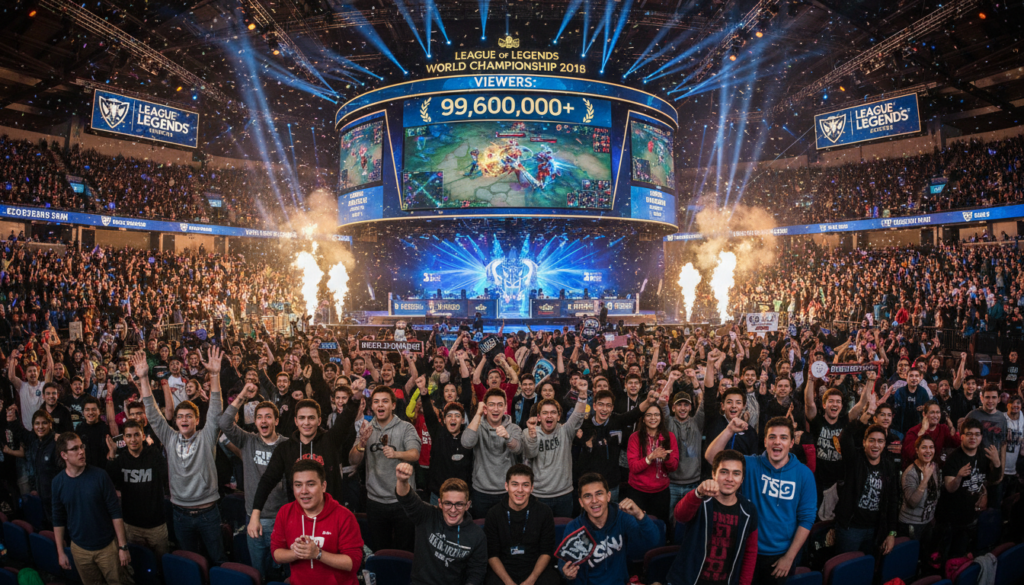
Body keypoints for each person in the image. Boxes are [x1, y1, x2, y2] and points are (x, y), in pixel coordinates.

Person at [136, 347, 227, 563]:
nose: (184, 420)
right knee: (190, 563)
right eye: (180, 416)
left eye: (189, 416)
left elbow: (215, 409)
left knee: (217, 560)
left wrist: (214, 376)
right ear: (176, 421)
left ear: (197, 420)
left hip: (208, 513)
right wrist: (143, 379)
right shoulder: (169, 437)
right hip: (180, 514)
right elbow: (152, 413)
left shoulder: (206, 436)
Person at [706, 417, 816, 584]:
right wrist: (729, 430)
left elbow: (806, 519)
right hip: (746, 550)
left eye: (783, 438)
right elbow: (711, 457)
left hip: (781, 555)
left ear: (792, 443)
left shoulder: (804, 474)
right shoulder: (750, 464)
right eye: (772, 437)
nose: (777, 442)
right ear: (765, 441)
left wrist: (789, 557)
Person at [218, 383, 289, 580]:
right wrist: (242, 395)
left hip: (282, 519)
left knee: (287, 572)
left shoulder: (287, 445)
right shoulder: (248, 440)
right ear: (255, 421)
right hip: (254, 520)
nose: (263, 420)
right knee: (260, 572)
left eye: (268, 416)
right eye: (259, 417)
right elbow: (224, 423)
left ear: (276, 420)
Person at [667, 450, 758, 585]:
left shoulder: (749, 510)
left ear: (742, 479)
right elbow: (680, 516)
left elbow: (750, 552)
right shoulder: (700, 499)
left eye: (736, 473)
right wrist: (697, 493)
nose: (729, 478)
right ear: (713, 474)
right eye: (724, 472)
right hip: (687, 580)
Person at [52, 432, 131, 584]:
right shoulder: (57, 483)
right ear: (64, 455)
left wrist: (122, 547)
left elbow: (115, 512)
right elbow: (58, 519)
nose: (81, 451)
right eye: (74, 449)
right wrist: (60, 552)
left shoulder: (100, 476)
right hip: (79, 549)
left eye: (82, 446)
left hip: (107, 548)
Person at [349, 386, 421, 551]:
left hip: (403, 500)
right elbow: (353, 460)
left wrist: (396, 454)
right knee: (380, 549)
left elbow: (414, 454)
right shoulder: (366, 428)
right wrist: (361, 443)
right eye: (376, 402)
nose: (380, 405)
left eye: (385, 401)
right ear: (372, 406)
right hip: (376, 502)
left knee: (405, 550)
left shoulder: (405, 427)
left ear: (393, 405)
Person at [270, 459, 364, 585]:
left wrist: (318, 554)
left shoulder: (344, 516)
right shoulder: (285, 512)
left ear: (323, 486)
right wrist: (298, 552)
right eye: (298, 485)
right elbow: (276, 554)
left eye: (310, 484)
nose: (303, 491)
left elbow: (353, 563)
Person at [395, 462, 488, 585]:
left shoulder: (477, 535)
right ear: (440, 503)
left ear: (467, 505)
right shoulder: (426, 515)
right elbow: (406, 498)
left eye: (459, 504)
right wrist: (402, 481)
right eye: (448, 503)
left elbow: (476, 573)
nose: (453, 510)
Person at [557, 473, 659, 584]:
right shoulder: (574, 527)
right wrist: (566, 572)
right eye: (588, 496)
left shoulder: (622, 516)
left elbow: (652, 542)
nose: (594, 500)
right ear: (581, 502)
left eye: (599, 494)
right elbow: (564, 561)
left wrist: (640, 515)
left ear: (608, 496)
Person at [834, 397, 901, 555]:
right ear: (864, 442)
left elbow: (893, 500)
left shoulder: (888, 467)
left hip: (875, 530)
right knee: (844, 569)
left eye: (879, 441)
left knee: (866, 570)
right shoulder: (854, 459)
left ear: (884, 444)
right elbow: (845, 436)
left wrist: (892, 533)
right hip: (850, 528)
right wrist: (866, 416)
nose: (875, 445)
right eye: (871, 440)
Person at [936, 417, 1003, 558]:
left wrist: (997, 464)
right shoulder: (953, 458)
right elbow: (949, 488)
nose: (973, 437)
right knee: (945, 556)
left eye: (977, 434)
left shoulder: (983, 455)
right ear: (961, 436)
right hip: (950, 520)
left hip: (971, 517)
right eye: (969, 434)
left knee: (961, 556)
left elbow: (992, 480)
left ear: (981, 437)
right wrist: (959, 477)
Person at [483, 464, 559, 585]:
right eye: (515, 484)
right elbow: (492, 554)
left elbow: (546, 551)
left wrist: (531, 580)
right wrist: (509, 583)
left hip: (535, 568)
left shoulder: (544, 512)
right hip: (505, 568)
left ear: (532, 488)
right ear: (506, 486)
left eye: (525, 485)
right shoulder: (494, 513)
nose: (520, 490)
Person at [104, 420, 169, 559]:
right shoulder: (120, 459)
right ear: (124, 438)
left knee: (162, 564)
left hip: (156, 525)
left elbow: (167, 477)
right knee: (138, 564)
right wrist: (112, 454)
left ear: (143, 436)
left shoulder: (154, 454)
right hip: (131, 525)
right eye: (128, 436)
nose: (133, 439)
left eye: (136, 435)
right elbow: (108, 482)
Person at [575, 388, 655, 502]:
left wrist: (648, 401)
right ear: (594, 406)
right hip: (591, 485)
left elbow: (634, 414)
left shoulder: (616, 420)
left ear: (612, 408)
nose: (604, 409)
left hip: (611, 484)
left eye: (608, 405)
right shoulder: (584, 426)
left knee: (613, 516)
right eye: (601, 404)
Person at [523, 390, 587, 517]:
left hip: (564, 494)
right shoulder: (528, 431)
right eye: (545, 413)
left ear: (558, 416)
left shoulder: (565, 431)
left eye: (553, 412)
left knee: (563, 533)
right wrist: (532, 437)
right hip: (538, 495)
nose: (549, 416)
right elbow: (530, 454)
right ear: (539, 417)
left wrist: (583, 397)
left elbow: (578, 415)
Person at [463, 389, 525, 518]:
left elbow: (518, 449)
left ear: (504, 407)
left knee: (506, 531)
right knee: (482, 530)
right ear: (485, 408)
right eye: (491, 404)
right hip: (481, 491)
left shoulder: (513, 428)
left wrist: (508, 437)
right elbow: (466, 443)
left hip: (507, 491)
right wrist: (478, 414)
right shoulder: (477, 426)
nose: (495, 409)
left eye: (499, 405)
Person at [626, 402, 679, 522]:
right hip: (638, 492)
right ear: (643, 419)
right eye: (649, 415)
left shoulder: (669, 437)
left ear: (661, 417)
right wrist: (650, 457)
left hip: (661, 493)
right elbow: (633, 467)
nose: (653, 418)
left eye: (656, 415)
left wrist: (666, 457)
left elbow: (674, 466)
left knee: (660, 526)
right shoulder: (635, 437)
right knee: (637, 527)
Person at [804, 385, 847, 511]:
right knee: (815, 514)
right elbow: (809, 403)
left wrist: (871, 382)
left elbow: (860, 406)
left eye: (838, 402)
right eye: (831, 401)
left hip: (838, 481)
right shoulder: (818, 422)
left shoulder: (845, 423)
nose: (835, 404)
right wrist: (811, 379)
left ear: (842, 406)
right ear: (824, 405)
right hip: (818, 481)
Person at [899, 435, 940, 561]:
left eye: (931, 447)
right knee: (910, 559)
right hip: (911, 525)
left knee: (924, 557)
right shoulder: (910, 473)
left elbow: (935, 494)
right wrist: (925, 479)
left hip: (927, 522)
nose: (928, 451)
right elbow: (913, 502)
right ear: (917, 450)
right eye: (924, 448)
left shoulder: (934, 466)